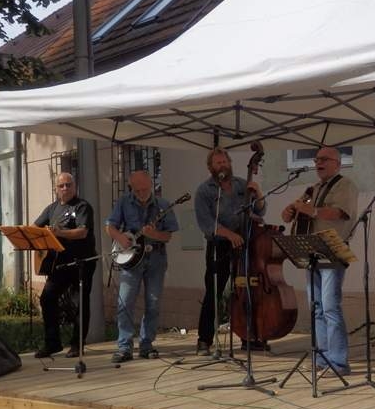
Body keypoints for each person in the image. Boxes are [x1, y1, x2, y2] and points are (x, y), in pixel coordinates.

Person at [281, 147, 358, 376]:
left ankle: (339, 362)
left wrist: (311, 210)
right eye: (316, 159)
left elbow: (340, 213)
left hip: (332, 249)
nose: (318, 163)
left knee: (330, 306)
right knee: (316, 307)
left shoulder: (345, 185)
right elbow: (292, 215)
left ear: (338, 163)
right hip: (312, 250)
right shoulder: (312, 189)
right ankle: (322, 359)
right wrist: (290, 211)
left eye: (324, 159)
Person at [194, 147, 267, 355]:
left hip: (245, 242)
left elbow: (260, 210)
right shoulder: (205, 190)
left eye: (225, 161)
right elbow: (207, 223)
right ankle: (204, 340)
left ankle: (248, 336)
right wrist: (229, 234)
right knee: (214, 292)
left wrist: (258, 193)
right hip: (219, 245)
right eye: (218, 163)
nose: (223, 165)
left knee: (245, 290)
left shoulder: (242, 185)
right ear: (211, 167)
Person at [106, 170, 179, 363]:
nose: (140, 194)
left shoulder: (163, 205)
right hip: (131, 260)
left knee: (153, 303)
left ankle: (146, 344)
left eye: (144, 189)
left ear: (151, 184)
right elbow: (110, 226)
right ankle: (124, 346)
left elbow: (168, 236)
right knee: (124, 302)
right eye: (136, 190)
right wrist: (120, 238)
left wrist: (154, 234)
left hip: (156, 258)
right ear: (131, 187)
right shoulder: (124, 202)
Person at [33, 172, 97, 358]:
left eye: (68, 185)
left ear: (74, 186)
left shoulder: (82, 206)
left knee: (79, 303)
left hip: (81, 262)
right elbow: (36, 227)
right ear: (56, 189)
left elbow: (82, 232)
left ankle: (77, 345)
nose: (65, 188)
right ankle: (53, 343)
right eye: (61, 186)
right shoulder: (51, 208)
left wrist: (58, 233)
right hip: (59, 263)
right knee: (47, 298)